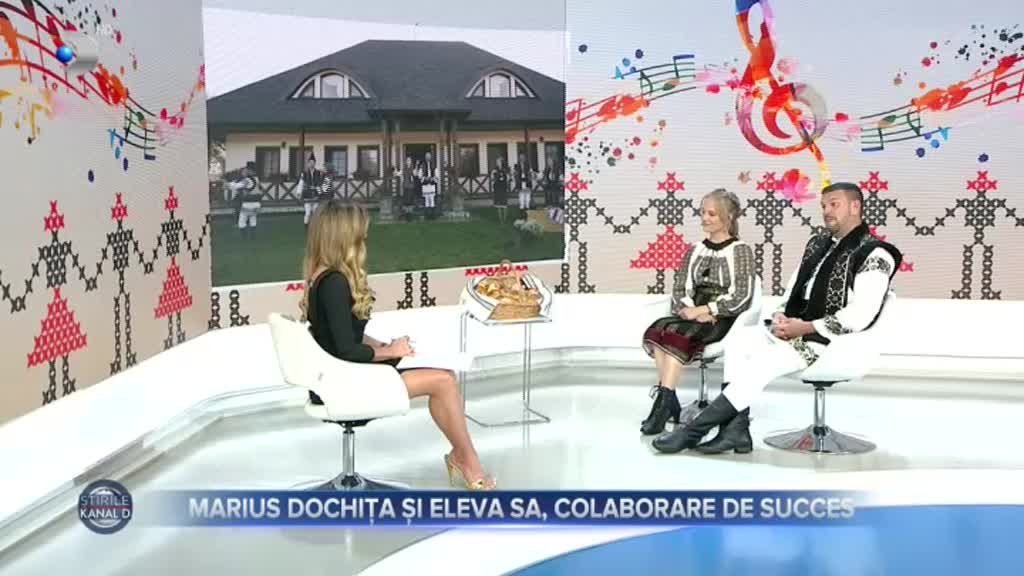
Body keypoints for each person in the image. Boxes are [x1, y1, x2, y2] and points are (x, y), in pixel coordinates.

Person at [653, 182, 902, 454]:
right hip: (796, 329)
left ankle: (691, 433)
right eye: (823, 206)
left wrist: (805, 327)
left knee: (764, 361)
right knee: (739, 341)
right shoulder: (818, 245)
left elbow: (862, 313)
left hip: (832, 341)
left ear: (855, 206)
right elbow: (793, 291)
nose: (827, 211)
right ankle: (735, 432)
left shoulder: (875, 253)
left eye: (835, 204)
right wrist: (781, 316)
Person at [300, 201, 496, 490]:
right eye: (360, 232)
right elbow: (346, 350)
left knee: (445, 377)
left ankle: (463, 457)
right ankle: (467, 462)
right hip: (341, 386)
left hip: (338, 377)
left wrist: (382, 346)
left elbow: (338, 335)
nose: (365, 237)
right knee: (443, 381)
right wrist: (391, 352)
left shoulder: (323, 277)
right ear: (343, 236)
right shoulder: (335, 283)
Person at [640, 189, 756, 437]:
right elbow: (680, 287)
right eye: (702, 212)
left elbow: (743, 295)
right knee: (658, 329)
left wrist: (707, 310)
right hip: (692, 312)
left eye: (711, 214)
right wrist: (687, 310)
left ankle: (663, 407)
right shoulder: (694, 249)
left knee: (676, 335)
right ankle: (667, 399)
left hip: (721, 316)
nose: (704, 218)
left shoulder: (740, 250)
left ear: (728, 217)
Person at [228, 162, 261, 238]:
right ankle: (252, 236)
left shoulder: (247, 180)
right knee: (253, 218)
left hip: (248, 203)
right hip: (256, 203)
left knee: (242, 220)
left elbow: (237, 186)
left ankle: (244, 237)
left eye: (246, 169)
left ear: (249, 170)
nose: (245, 170)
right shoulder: (257, 178)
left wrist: (228, 184)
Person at [299, 154, 324, 227]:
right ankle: (306, 226)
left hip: (316, 195)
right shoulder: (304, 173)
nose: (311, 164)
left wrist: (320, 193)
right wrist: (299, 192)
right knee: (308, 213)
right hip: (307, 195)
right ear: (308, 163)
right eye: (310, 162)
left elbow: (320, 183)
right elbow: (301, 183)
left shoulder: (318, 173)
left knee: (315, 212)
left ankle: (315, 226)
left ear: (315, 163)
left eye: (313, 162)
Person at [491, 156, 510, 223]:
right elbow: (492, 178)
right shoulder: (494, 170)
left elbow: (508, 178)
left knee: (504, 204)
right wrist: (494, 179)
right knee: (498, 205)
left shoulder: (505, 170)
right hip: (497, 188)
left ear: (501, 162)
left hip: (503, 187)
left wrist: (507, 184)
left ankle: (504, 219)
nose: (497, 163)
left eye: (499, 161)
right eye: (497, 162)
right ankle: (501, 220)